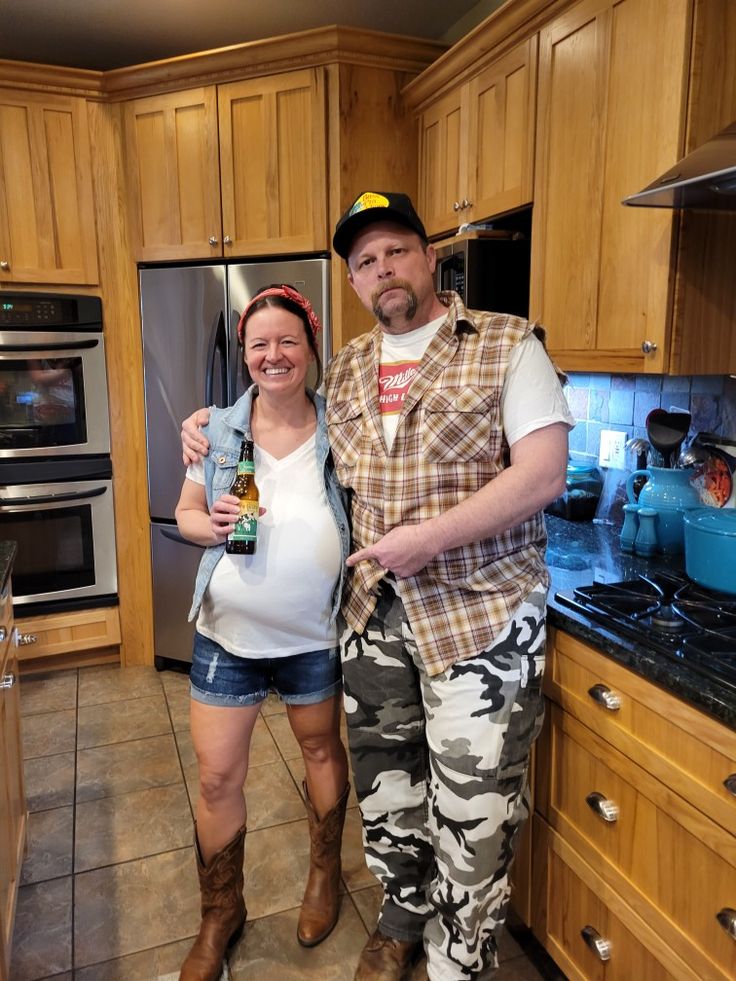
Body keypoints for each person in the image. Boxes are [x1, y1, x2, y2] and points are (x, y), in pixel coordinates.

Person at [182, 192, 574, 981]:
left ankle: (456, 960)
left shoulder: (506, 344)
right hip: (372, 618)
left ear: (430, 258)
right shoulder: (354, 367)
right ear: (354, 282)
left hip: (480, 619)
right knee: (391, 795)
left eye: (396, 249)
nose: (382, 268)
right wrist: (208, 422)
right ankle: (398, 921)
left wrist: (432, 537)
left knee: (473, 812)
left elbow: (544, 473)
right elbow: (264, 416)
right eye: (364, 260)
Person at [175, 284, 351, 981]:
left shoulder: (345, 423)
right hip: (228, 635)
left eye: (287, 341)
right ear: (244, 354)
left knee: (319, 749)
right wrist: (207, 523)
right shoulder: (217, 429)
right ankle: (221, 912)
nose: (273, 355)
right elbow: (186, 512)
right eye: (259, 344)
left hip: (315, 633)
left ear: (310, 347)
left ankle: (323, 876)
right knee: (218, 776)